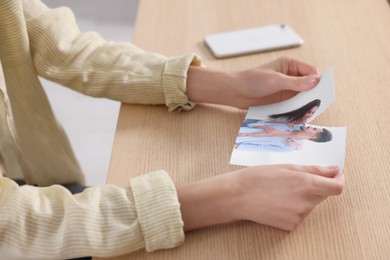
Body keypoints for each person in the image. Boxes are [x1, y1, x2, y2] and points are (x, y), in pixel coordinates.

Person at [0, 0, 345, 259]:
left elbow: (61, 46)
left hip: (38, 184)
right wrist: (227, 197)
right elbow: (17, 225)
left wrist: (222, 84)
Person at [236, 125, 332, 151]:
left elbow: (262, 148)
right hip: (243, 128)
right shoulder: (295, 125)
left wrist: (238, 147)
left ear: (312, 136)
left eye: (314, 129)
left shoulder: (289, 147)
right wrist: (259, 126)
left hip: (240, 140)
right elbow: (264, 122)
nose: (311, 126)